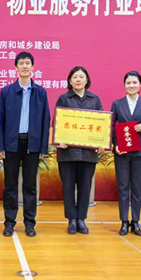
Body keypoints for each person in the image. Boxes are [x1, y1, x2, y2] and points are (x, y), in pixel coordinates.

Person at [0, 52, 50, 237]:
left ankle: (29, 223)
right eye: (21, 63)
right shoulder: (6, 91)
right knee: (10, 185)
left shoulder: (40, 92)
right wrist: (0, 146)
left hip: (32, 144)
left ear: (33, 67)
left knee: (30, 186)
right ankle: (9, 222)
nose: (25, 66)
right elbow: (0, 120)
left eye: (28, 63)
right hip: (11, 144)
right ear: (16, 67)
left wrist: (43, 147)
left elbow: (45, 121)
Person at [55, 66, 103, 235]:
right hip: (67, 152)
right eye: (75, 77)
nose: (78, 80)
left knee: (85, 186)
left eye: (81, 77)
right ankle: (71, 219)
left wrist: (101, 141)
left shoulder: (95, 99)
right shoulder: (63, 98)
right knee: (68, 187)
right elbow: (57, 121)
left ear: (86, 80)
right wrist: (59, 139)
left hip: (88, 153)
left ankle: (81, 219)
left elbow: (101, 123)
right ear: (70, 80)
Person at [111, 71, 141, 237]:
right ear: (124, 85)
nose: (131, 85)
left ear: (140, 85)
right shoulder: (117, 104)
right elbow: (111, 127)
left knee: (137, 188)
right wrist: (115, 145)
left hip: (140, 152)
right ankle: (124, 221)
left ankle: (135, 222)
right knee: (123, 187)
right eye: (128, 83)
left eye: (134, 82)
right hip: (122, 152)